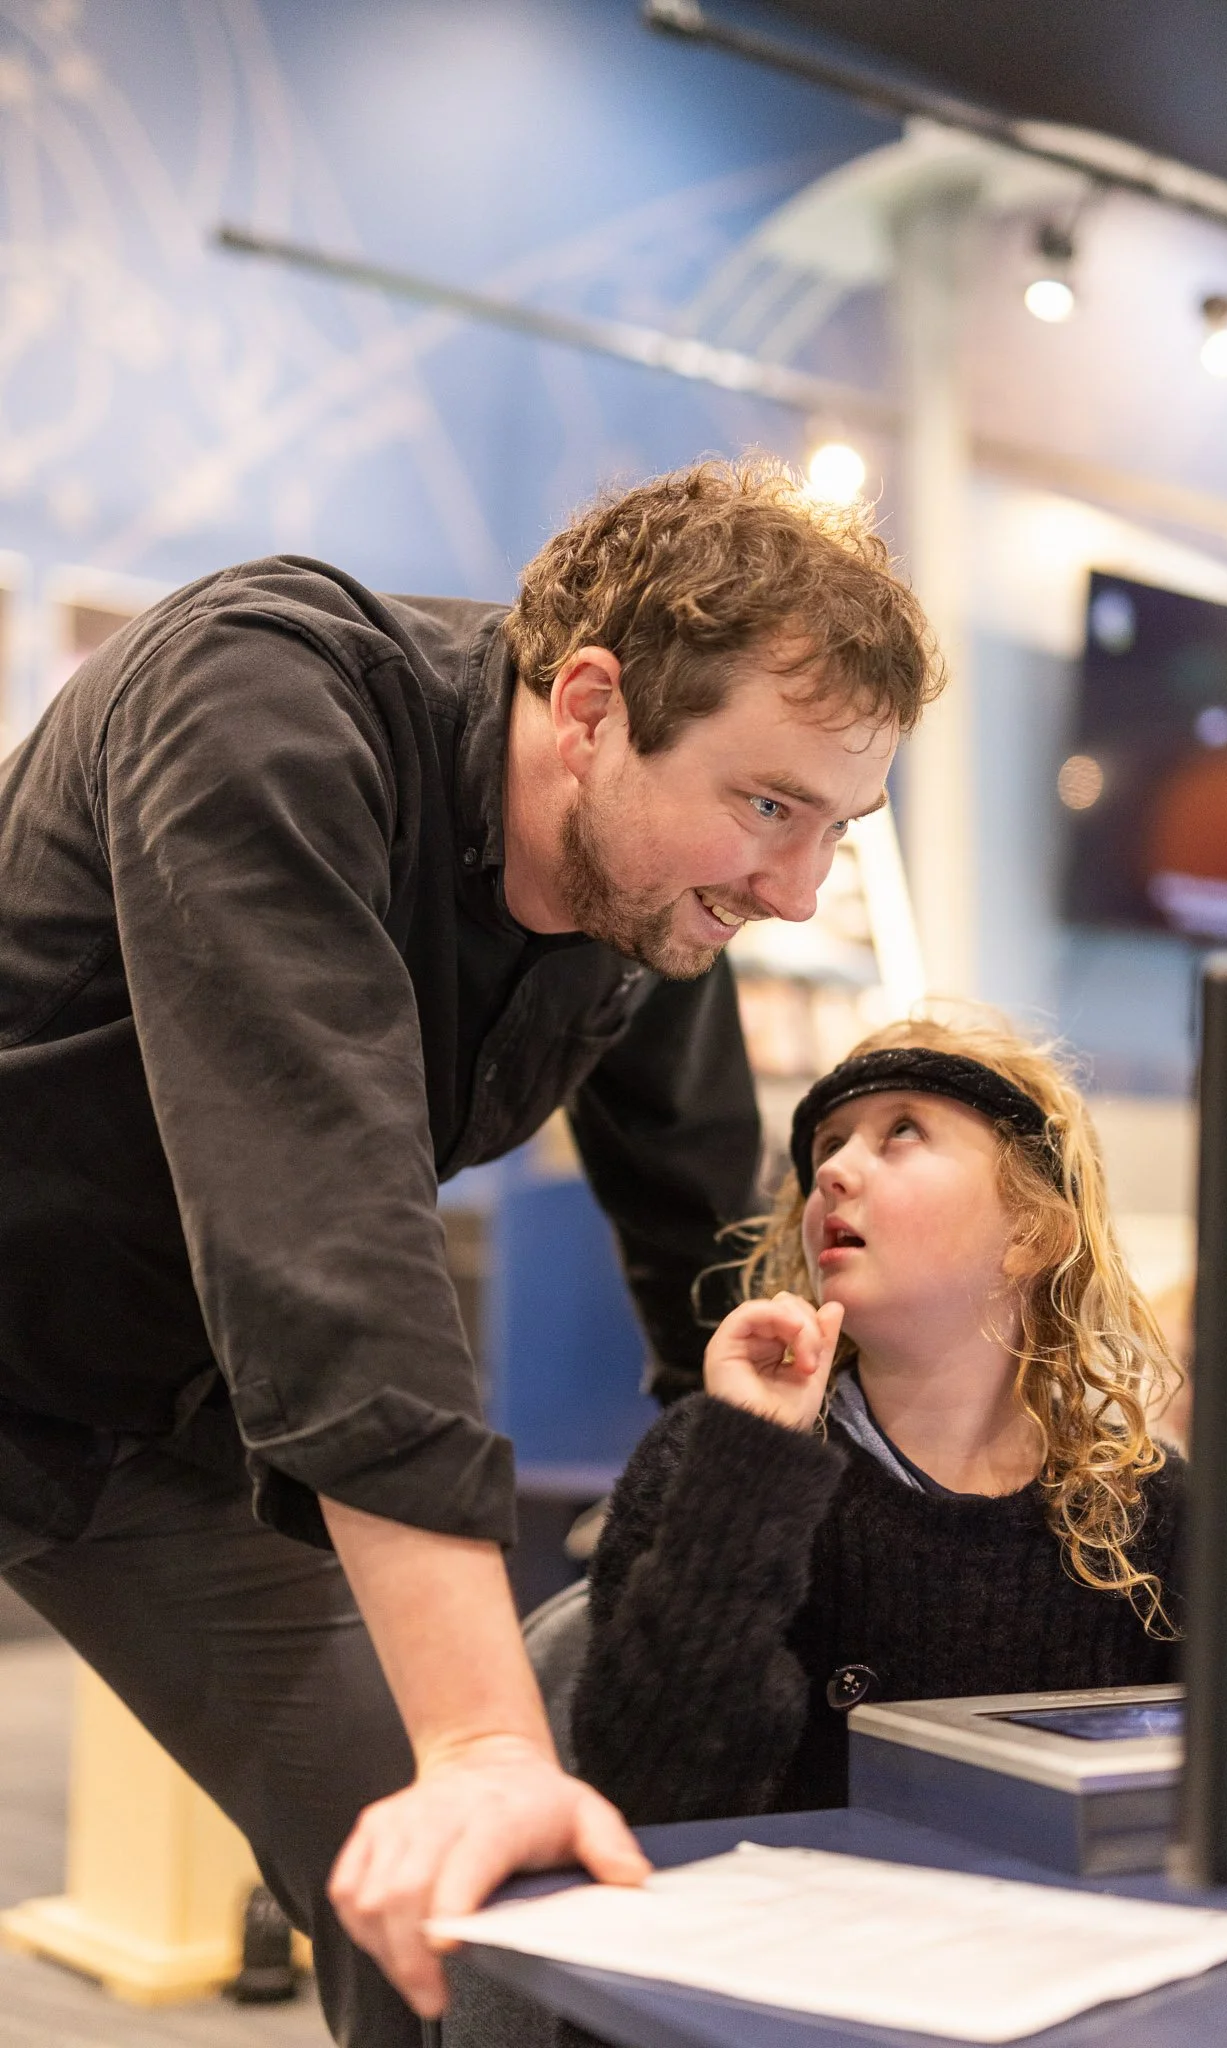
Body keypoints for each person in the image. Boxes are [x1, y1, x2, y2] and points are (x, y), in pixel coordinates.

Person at [0, 458, 938, 2043]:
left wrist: (826, 1482)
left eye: (835, 828)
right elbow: (325, 1217)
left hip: (175, 1427)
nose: (792, 889)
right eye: (767, 805)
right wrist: (490, 1740)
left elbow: (706, 1219)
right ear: (587, 704)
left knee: (470, 1920)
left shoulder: (646, 887)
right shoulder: (261, 703)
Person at [570, 1004, 1185, 1832]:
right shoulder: (709, 1455)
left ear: (1033, 1232)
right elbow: (649, 1792)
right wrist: (750, 1473)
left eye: (901, 1132)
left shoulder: (1152, 1506)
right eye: (829, 1145)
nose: (835, 1172)